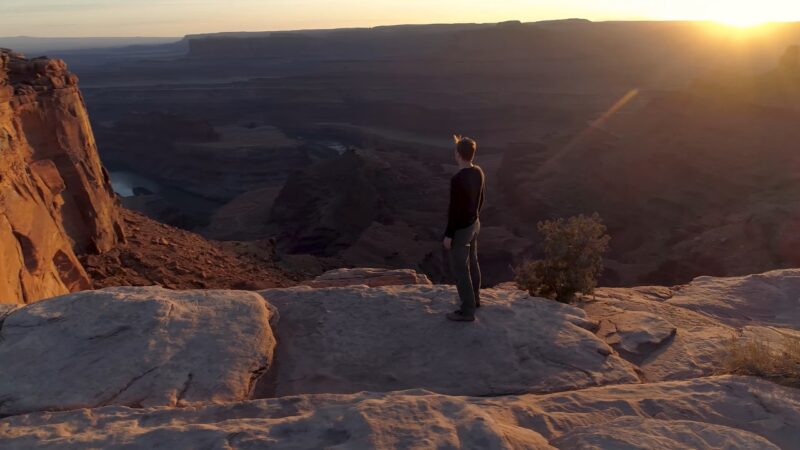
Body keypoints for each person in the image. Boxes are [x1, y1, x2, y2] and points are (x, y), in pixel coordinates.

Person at [443, 135, 485, 322]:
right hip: (474, 224)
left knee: (461, 269)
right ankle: (475, 299)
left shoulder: (457, 179)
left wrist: (448, 235)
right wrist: (474, 218)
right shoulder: (478, 172)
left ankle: (467, 311)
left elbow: (454, 211)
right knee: (473, 262)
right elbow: (481, 199)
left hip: (461, 229)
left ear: (458, 155)